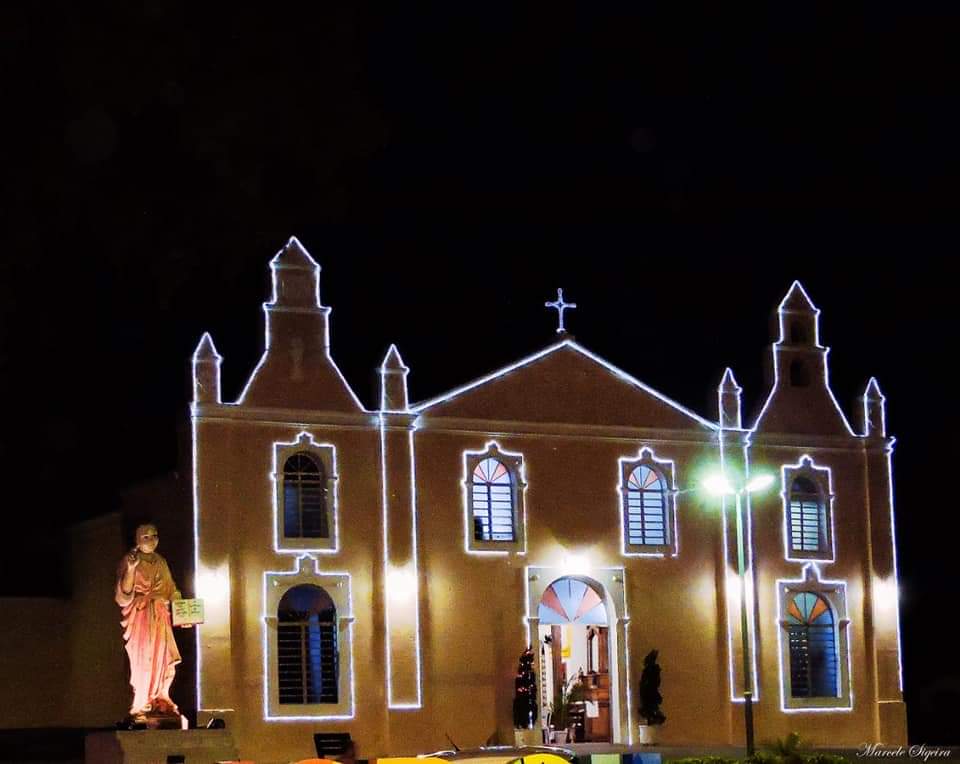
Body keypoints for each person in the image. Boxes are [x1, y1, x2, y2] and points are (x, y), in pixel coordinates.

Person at [115, 523, 183, 720]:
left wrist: (182, 610)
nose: (152, 540)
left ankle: (162, 696)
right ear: (137, 540)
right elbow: (124, 595)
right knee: (144, 658)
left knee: (164, 656)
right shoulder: (130, 560)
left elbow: (171, 590)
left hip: (161, 617)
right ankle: (142, 700)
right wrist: (131, 569)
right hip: (142, 617)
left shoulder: (161, 562)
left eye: (154, 536)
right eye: (146, 537)